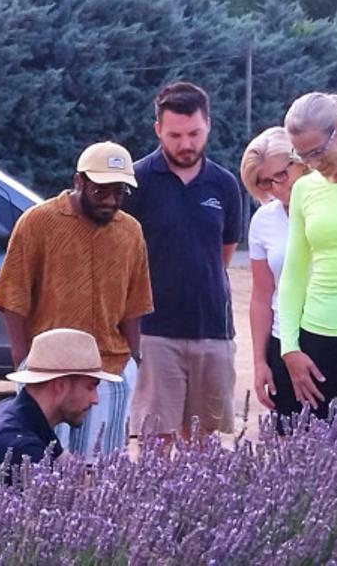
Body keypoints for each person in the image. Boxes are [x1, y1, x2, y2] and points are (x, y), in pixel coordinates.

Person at [0, 141, 153, 460]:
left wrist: (134, 360)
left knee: (103, 471)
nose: (110, 200)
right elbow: (11, 296)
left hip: (110, 371)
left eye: (119, 192)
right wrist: (23, 361)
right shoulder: (38, 222)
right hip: (51, 373)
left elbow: (136, 303)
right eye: (100, 191)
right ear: (79, 181)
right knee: (44, 466)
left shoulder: (131, 232)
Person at [123, 82, 242, 439]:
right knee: (155, 443)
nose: (186, 144)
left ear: (208, 125)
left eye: (195, 133)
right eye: (175, 135)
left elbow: (222, 254)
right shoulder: (136, 182)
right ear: (158, 129)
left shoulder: (224, 185)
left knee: (204, 445)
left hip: (213, 333)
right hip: (155, 333)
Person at [0, 328, 121, 500]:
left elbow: (71, 469)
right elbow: (79, 503)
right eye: (90, 387)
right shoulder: (22, 448)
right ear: (60, 386)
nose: (95, 399)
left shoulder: (13, 411)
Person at [279, 92, 337, 422]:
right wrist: (289, 347)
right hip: (317, 343)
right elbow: (295, 271)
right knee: (319, 462)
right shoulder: (304, 189)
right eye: (302, 157)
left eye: (317, 152)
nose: (312, 163)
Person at [239, 127, 308, 421]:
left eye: (282, 174)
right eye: (266, 182)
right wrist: (259, 361)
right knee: (288, 446)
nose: (278, 187)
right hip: (284, 340)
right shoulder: (264, 220)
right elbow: (261, 297)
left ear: (300, 161)